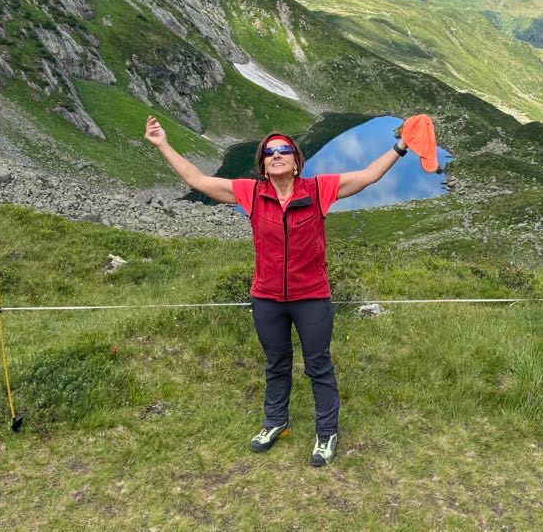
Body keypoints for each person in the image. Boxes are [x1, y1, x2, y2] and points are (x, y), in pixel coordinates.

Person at [144, 115, 412, 467]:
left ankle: (327, 432)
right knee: (276, 363)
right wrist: (163, 143)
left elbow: (367, 176)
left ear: (296, 162)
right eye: (269, 152)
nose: (277, 154)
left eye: (284, 149)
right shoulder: (251, 193)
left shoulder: (318, 190)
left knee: (318, 365)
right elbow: (197, 180)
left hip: (312, 296)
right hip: (267, 297)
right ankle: (275, 422)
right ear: (264, 166)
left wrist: (401, 145)